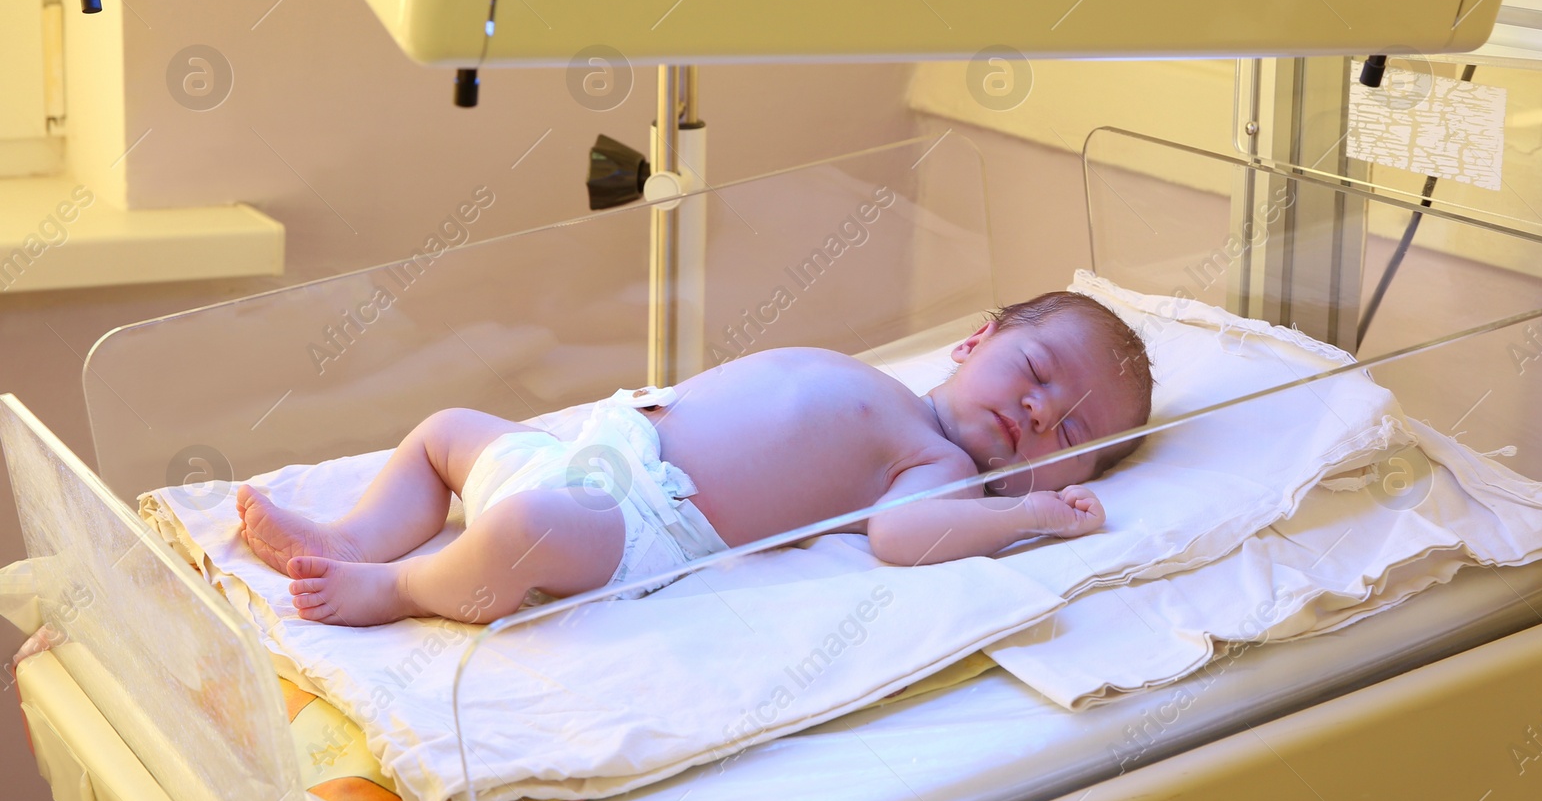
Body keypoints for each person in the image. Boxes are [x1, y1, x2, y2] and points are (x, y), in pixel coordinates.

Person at [237, 291, 1153, 626]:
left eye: (1073, 436)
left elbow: (901, 534)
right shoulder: (883, 385)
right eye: (1036, 372)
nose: (1039, 413)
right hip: (596, 445)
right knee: (445, 430)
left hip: (634, 525)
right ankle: (351, 534)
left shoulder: (936, 464)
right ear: (974, 339)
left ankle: (401, 588)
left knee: (524, 527)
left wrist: (1026, 515)